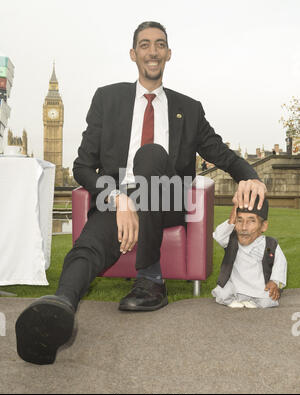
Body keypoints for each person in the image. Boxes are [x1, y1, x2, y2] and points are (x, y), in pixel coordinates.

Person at [15, 21, 267, 365]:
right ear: (134, 54)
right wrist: (119, 199)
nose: (153, 51)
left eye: (160, 44)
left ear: (168, 54)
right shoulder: (108, 98)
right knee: (91, 244)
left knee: (150, 155)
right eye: (145, 45)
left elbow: (220, 152)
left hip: (169, 196)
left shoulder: (188, 108)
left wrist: (250, 176)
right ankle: (59, 308)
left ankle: (150, 278)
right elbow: (82, 167)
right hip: (118, 195)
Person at [211, 193, 287, 308]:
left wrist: (274, 282)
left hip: (259, 287)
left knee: (268, 300)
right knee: (223, 293)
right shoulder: (231, 240)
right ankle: (235, 301)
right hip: (235, 286)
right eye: (239, 220)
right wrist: (233, 215)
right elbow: (218, 236)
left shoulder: (270, 244)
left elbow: (280, 264)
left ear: (263, 226)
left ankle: (251, 301)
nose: (244, 227)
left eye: (251, 221)